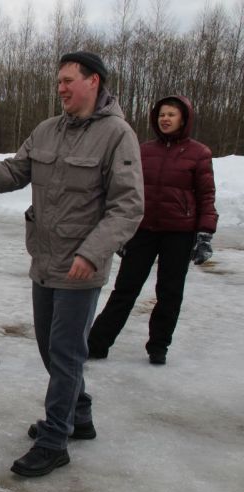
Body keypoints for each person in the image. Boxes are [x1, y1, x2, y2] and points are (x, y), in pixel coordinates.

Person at [0, 51, 144, 477]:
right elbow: (12, 174)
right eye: (58, 82)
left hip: (81, 266)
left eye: (68, 80)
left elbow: (127, 206)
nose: (61, 88)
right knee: (50, 349)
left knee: (65, 354)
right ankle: (80, 414)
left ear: (94, 81)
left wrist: (92, 253)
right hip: (44, 260)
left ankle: (55, 440)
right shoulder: (46, 130)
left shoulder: (117, 135)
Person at [87, 95, 218, 365]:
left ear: (184, 119)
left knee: (169, 292)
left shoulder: (199, 153)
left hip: (179, 233)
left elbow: (206, 196)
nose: (165, 119)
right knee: (125, 289)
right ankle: (97, 344)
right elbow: (126, 191)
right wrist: (121, 232)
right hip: (143, 230)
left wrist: (205, 234)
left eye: (171, 114)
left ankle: (158, 346)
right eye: (161, 115)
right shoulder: (143, 150)